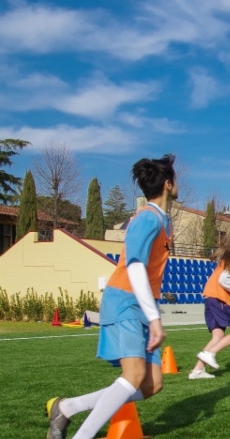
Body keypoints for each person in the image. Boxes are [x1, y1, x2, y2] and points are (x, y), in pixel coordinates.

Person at [46, 154, 177, 439]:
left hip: (143, 305)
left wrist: (152, 312)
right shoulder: (147, 218)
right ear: (168, 184)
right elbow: (135, 266)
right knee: (132, 377)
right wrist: (154, 319)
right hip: (125, 300)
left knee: (151, 385)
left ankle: (66, 408)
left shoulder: (165, 221)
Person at [190, 229, 230, 379]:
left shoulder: (229, 256)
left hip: (210, 297)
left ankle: (197, 371)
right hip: (219, 299)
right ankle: (210, 354)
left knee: (218, 336)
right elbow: (223, 280)